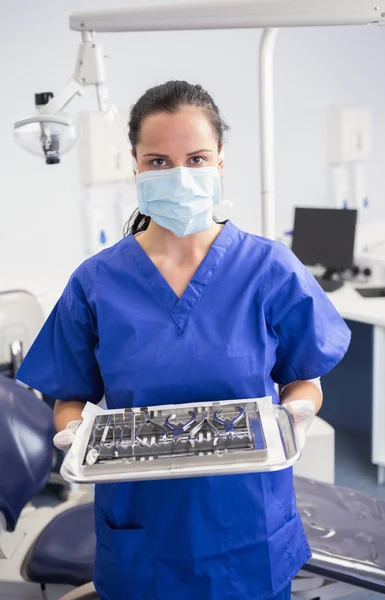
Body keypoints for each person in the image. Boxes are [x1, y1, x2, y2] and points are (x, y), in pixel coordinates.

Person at [16, 80, 351, 600]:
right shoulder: (97, 282)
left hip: (247, 525)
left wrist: (299, 413)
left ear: (220, 162)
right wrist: (74, 431)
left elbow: (304, 380)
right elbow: (69, 397)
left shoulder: (269, 269)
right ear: (134, 165)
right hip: (144, 528)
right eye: (158, 161)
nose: (180, 176)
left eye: (196, 158)